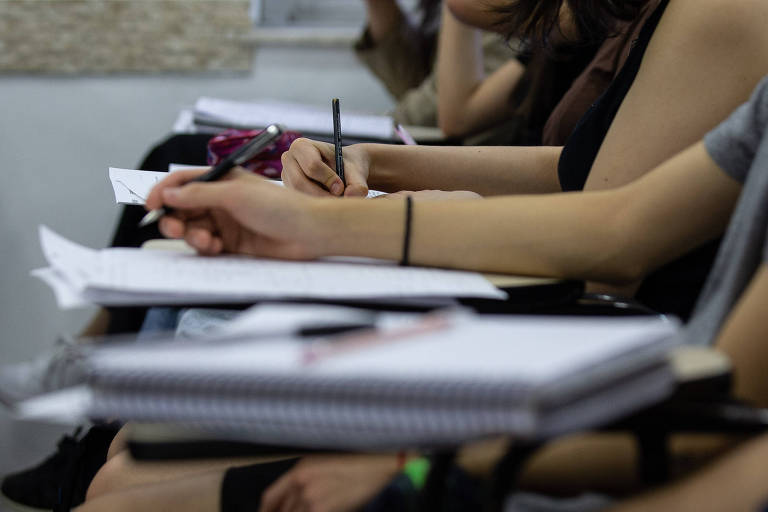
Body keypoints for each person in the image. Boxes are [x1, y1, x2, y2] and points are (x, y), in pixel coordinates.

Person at [78, 71, 768, 511]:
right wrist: (318, 224)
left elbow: (718, 420)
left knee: (125, 483)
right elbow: (621, 224)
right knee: (138, 451)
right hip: (626, 409)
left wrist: (418, 467)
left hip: (634, 430)